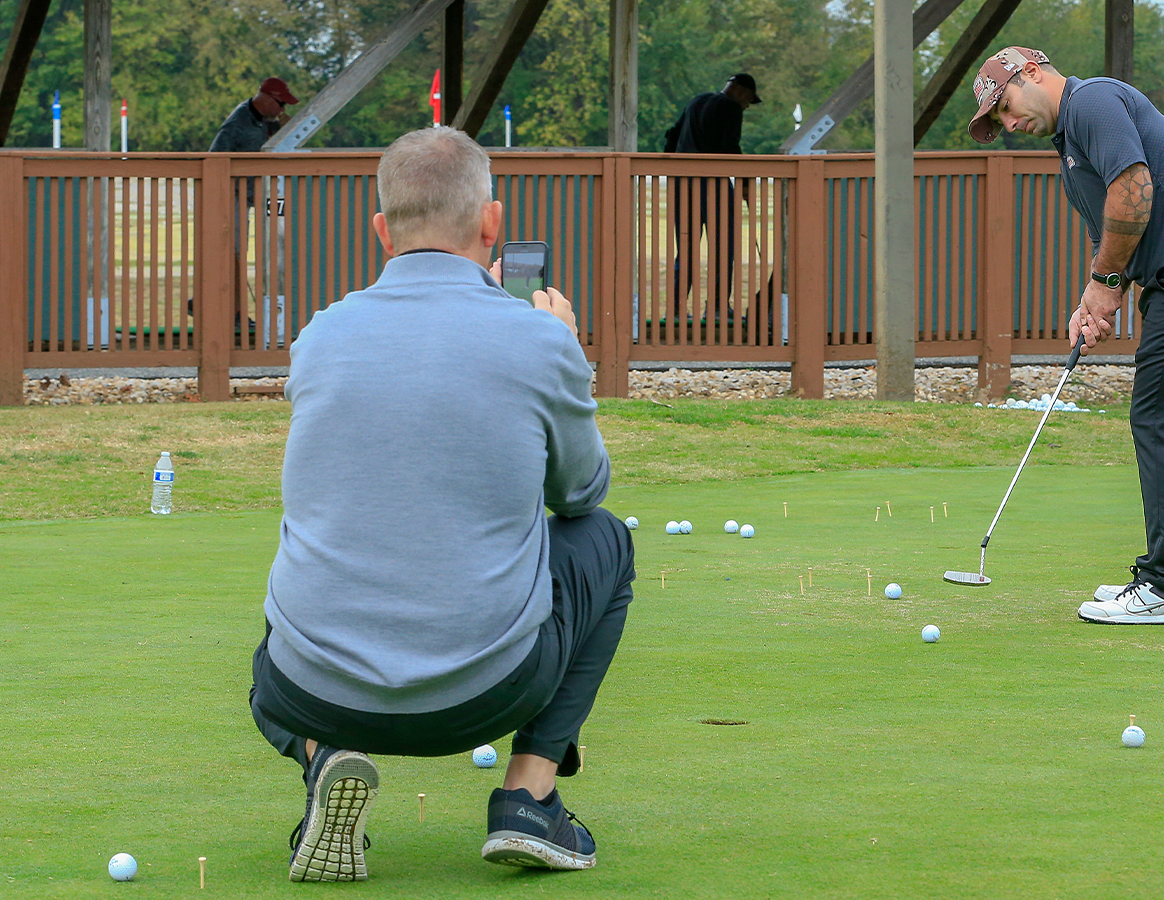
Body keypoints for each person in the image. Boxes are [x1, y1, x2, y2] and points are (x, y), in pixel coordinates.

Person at [247, 127, 636, 882]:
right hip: (486, 695)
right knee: (606, 540)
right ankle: (530, 795)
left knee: (281, 623)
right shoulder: (536, 340)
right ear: (491, 224)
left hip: (310, 691)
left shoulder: (319, 336)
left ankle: (326, 759)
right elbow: (580, 493)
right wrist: (564, 350)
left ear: (382, 232)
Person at [968, 46, 1164, 625]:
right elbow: (1121, 231)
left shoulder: (1091, 99)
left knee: (1158, 422)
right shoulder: (1071, 138)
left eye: (1004, 108)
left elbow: (1134, 187)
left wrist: (1103, 284)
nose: (1008, 124)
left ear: (1030, 74)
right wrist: (1097, 298)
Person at [200, 78, 300, 339]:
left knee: (259, 249)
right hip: (232, 195)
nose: (281, 110)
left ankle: (206, 305)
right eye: (280, 104)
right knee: (231, 254)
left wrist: (284, 130)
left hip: (257, 195)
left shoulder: (264, 120)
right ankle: (228, 313)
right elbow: (214, 158)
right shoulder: (238, 123)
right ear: (265, 99)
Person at [662, 74, 763, 323]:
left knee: (685, 249)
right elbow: (730, 147)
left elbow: (671, 136)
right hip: (713, 184)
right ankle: (717, 307)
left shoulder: (697, 101)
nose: (747, 106)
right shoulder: (730, 107)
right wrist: (746, 183)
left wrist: (672, 169)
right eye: (748, 100)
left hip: (682, 183)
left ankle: (675, 309)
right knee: (722, 247)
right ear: (740, 91)